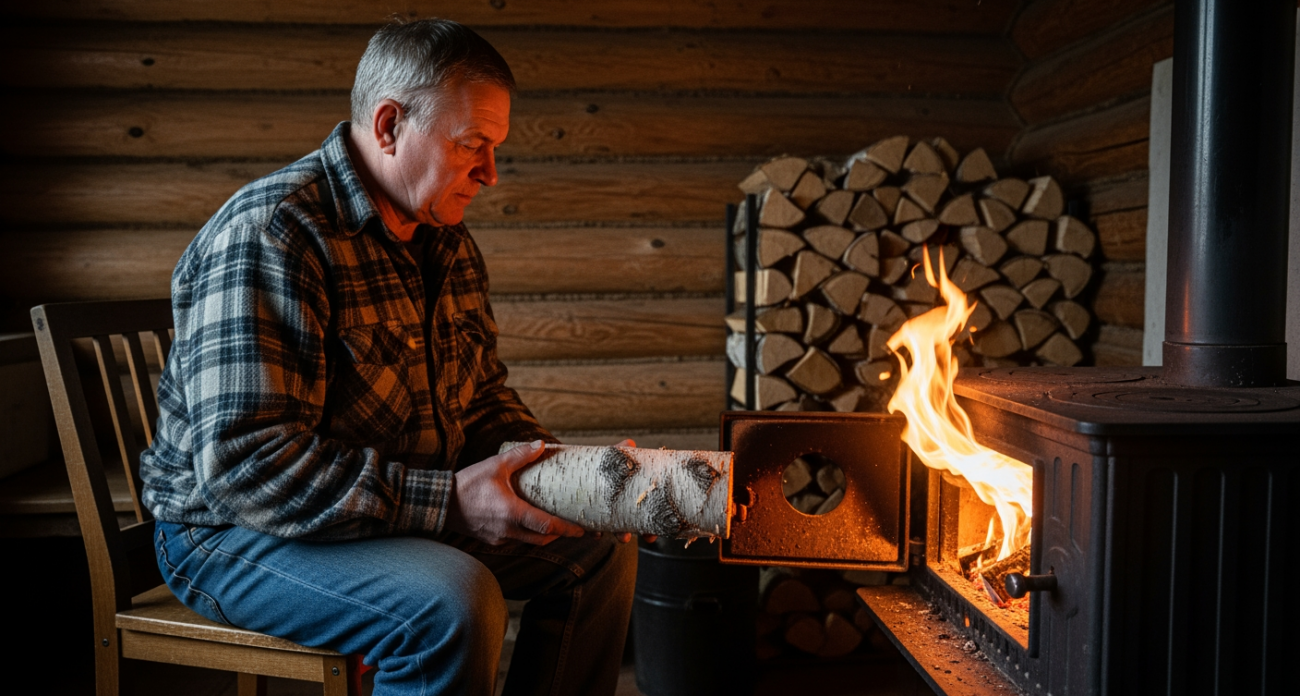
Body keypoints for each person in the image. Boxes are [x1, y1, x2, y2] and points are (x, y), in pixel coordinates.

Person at [138, 18, 637, 696]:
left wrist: (572, 480)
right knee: (451, 602)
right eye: (474, 146)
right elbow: (247, 468)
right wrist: (452, 503)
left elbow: (483, 400)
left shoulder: (445, 241)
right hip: (228, 532)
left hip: (381, 512)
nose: (490, 174)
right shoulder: (274, 233)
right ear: (389, 124)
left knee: (597, 551)